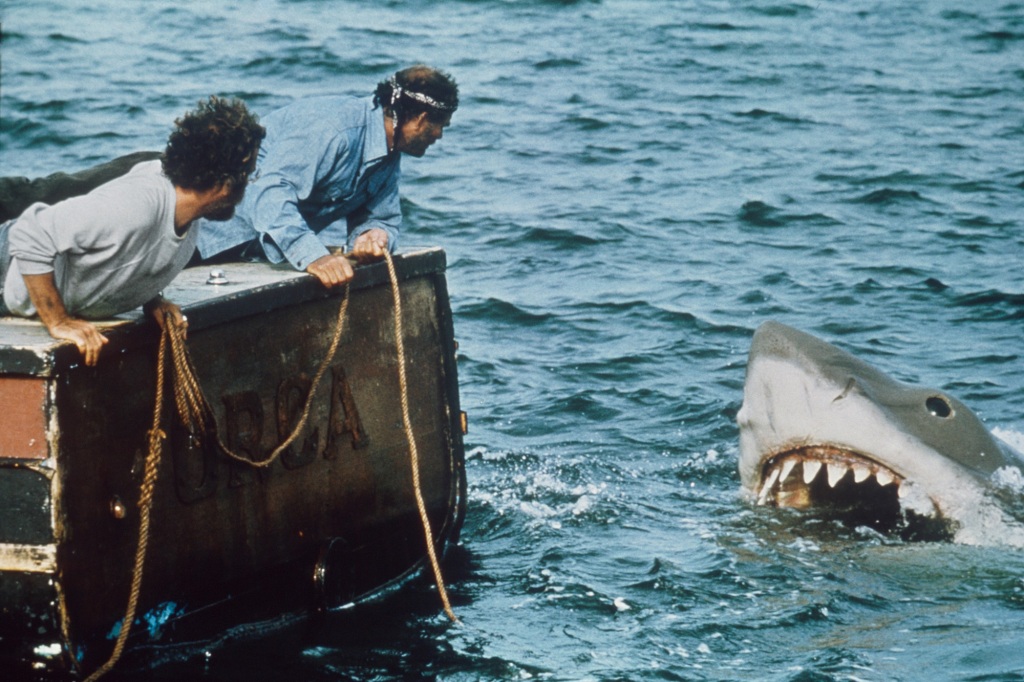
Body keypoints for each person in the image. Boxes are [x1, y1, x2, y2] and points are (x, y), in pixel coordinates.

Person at [0, 97, 265, 366]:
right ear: (224, 183)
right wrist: (59, 321)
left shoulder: (186, 214)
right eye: (249, 174)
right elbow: (31, 233)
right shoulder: (136, 204)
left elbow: (129, 252)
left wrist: (151, 298)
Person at [194, 65, 459, 288]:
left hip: (252, 257)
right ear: (422, 119)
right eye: (441, 126)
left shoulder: (389, 153)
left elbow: (383, 218)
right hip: (203, 236)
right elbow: (270, 191)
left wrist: (373, 235)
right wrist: (313, 257)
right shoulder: (336, 129)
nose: (439, 136)